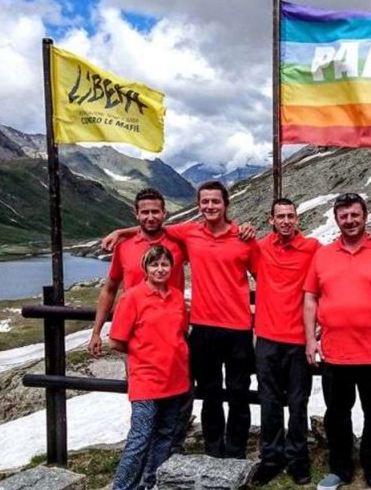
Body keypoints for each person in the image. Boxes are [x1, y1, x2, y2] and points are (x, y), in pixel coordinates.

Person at [103, 181, 258, 459]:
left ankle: (235, 454)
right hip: (202, 327)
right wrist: (120, 231)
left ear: (226, 205)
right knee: (209, 395)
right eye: (205, 202)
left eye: (215, 202)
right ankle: (213, 451)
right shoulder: (190, 232)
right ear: (199, 205)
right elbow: (152, 228)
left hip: (238, 329)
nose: (210, 206)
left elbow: (263, 279)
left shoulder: (243, 238)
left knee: (238, 394)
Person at [304, 193, 371, 490]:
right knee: (337, 415)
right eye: (344, 216)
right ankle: (339, 468)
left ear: (365, 216)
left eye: (355, 215)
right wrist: (311, 339)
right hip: (335, 353)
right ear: (337, 219)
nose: (349, 221)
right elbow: (310, 297)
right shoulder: (322, 255)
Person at [106, 245, 190, 490]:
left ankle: (152, 485)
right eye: (154, 265)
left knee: (166, 434)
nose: (160, 269)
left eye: (165, 264)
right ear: (146, 268)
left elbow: (181, 333)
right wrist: (144, 357)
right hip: (146, 380)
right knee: (140, 438)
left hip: (176, 378)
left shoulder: (177, 297)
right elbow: (117, 340)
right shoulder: (132, 298)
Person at [251, 198, 321, 486]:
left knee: (297, 403)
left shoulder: (313, 249)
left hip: (298, 340)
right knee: (268, 402)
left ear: (297, 219)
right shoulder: (260, 248)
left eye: (290, 216)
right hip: (266, 338)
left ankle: (297, 459)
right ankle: (271, 458)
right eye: (280, 216)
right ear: (271, 220)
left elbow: (339, 262)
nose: (286, 221)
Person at [89, 188, 185, 358]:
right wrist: (96, 332)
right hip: (135, 334)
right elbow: (110, 289)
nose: (150, 217)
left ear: (164, 213)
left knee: (179, 382)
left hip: (173, 331)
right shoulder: (124, 247)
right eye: (144, 212)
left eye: (155, 212)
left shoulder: (179, 244)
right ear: (136, 214)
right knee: (139, 382)